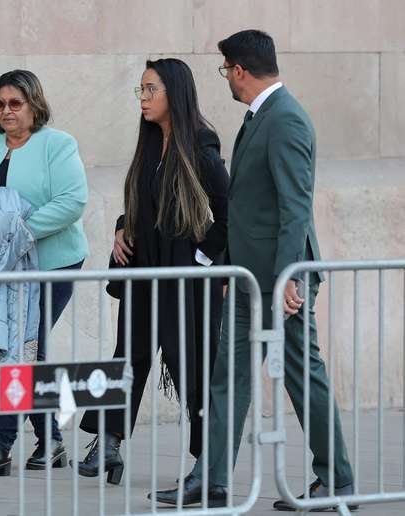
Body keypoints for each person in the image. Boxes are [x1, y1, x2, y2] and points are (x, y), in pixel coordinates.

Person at [152, 30, 355, 510]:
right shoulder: (262, 117)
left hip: (278, 282)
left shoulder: (285, 120)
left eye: (225, 69)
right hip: (247, 277)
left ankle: (338, 478)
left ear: (239, 69)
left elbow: (295, 206)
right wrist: (229, 267)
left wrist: (287, 277)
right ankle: (212, 479)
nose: (225, 77)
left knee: (303, 374)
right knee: (228, 377)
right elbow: (249, 207)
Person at [74, 59, 229, 485]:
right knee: (128, 357)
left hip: (186, 283)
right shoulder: (149, 143)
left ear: (174, 93)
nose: (142, 99)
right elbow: (144, 203)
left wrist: (201, 261)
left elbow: (230, 214)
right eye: (140, 90)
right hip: (145, 272)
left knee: (193, 368)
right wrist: (123, 227)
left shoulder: (200, 145)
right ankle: (106, 442)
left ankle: (209, 462)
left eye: (150, 90)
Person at [0, 69, 89, 476]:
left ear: (34, 104)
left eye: (15, 103)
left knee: (23, 349)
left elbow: (72, 202)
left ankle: (1, 443)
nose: (6, 111)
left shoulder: (57, 144)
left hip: (51, 262)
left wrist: (18, 232)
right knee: (28, 351)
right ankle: (53, 440)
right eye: (0, 104)